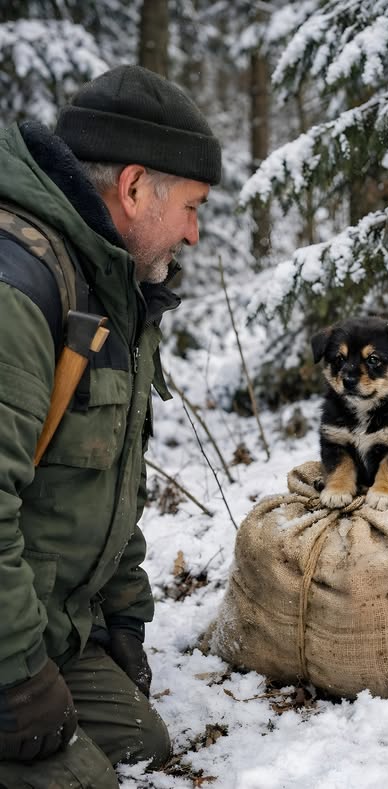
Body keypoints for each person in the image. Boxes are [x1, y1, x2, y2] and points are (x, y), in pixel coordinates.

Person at [0, 64, 221, 788]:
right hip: (8, 635)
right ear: (132, 188)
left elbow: (110, 476)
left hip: (47, 619)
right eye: (192, 206)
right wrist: (16, 675)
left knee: (138, 742)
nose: (193, 233)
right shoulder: (20, 287)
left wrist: (121, 618)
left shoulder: (116, 289)